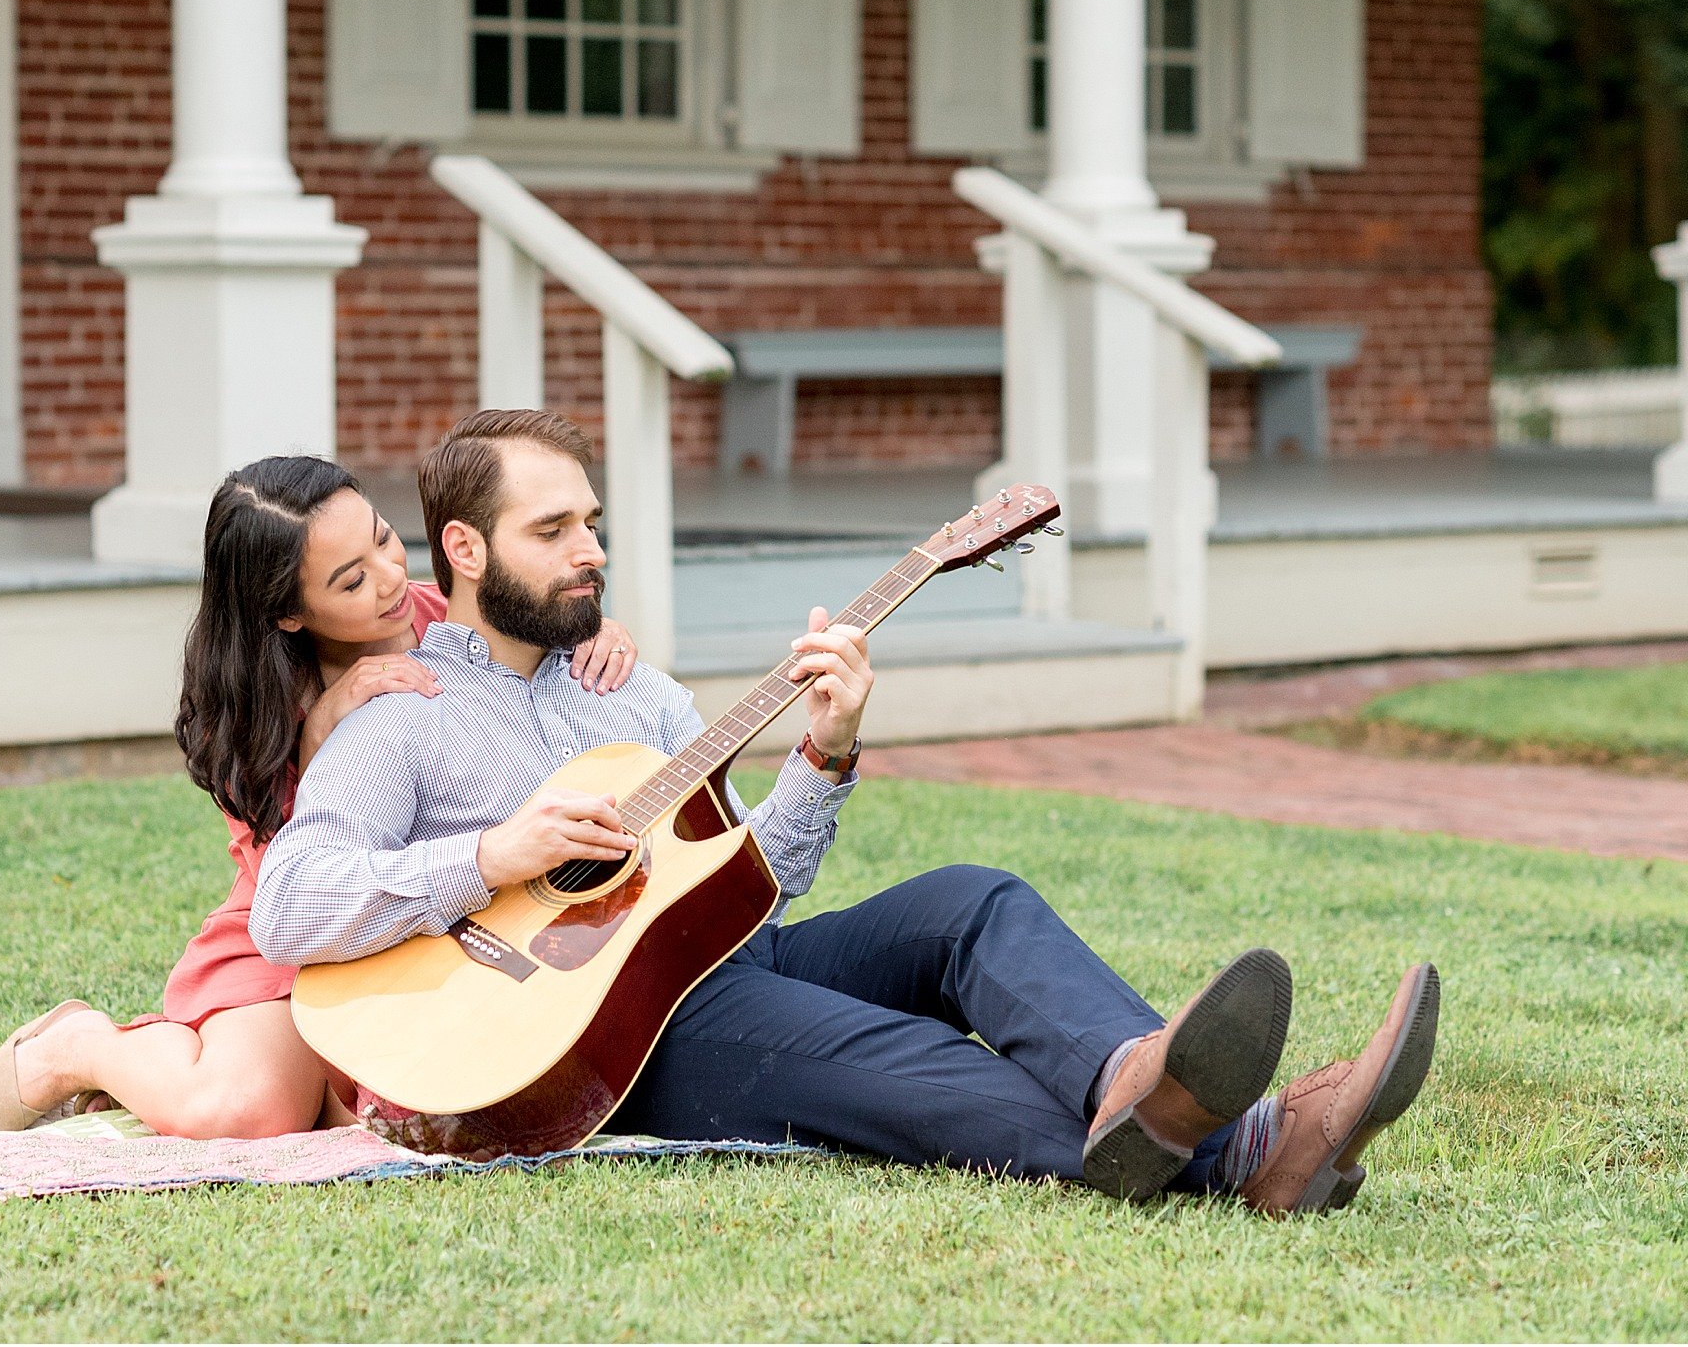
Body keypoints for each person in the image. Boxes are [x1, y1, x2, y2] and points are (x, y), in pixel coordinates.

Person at [250, 410, 1442, 1214]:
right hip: (619, 1041)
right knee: (909, 1063)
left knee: (969, 901)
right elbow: (292, 904)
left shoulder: (638, 692)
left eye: (593, 523)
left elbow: (747, 880)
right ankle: (1250, 1144)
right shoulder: (401, 715)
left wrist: (823, 749)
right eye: (553, 531)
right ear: (463, 547)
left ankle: (1138, 1074)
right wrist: (490, 853)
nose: (591, 552)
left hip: (729, 956)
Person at [0, 455, 642, 1137]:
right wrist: (319, 737)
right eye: (351, 581)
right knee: (248, 1111)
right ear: (286, 611)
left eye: (381, 537)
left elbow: (540, 658)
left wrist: (589, 631)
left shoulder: (454, 619)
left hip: (471, 915)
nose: (392, 578)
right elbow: (297, 888)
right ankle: (78, 1047)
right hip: (310, 933)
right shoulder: (258, 707)